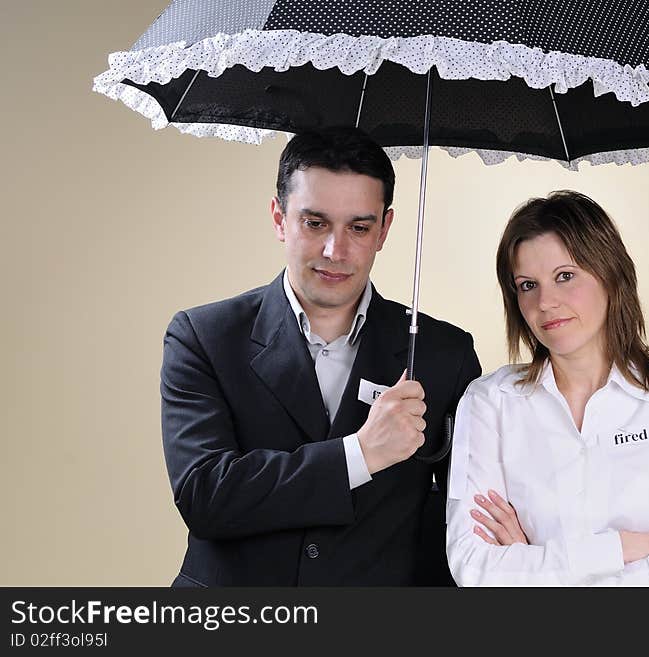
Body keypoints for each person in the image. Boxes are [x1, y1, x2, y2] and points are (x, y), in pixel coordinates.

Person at [161, 127, 481, 586]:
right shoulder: (204, 337)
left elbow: (463, 524)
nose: (336, 251)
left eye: (359, 227)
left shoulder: (443, 353)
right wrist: (360, 454)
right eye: (315, 223)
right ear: (279, 218)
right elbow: (205, 497)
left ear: (384, 229)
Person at [445, 191, 649, 586]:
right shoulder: (490, 402)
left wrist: (530, 562)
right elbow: (474, 568)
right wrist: (618, 549)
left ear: (611, 275)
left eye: (565, 276)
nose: (545, 302)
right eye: (528, 285)